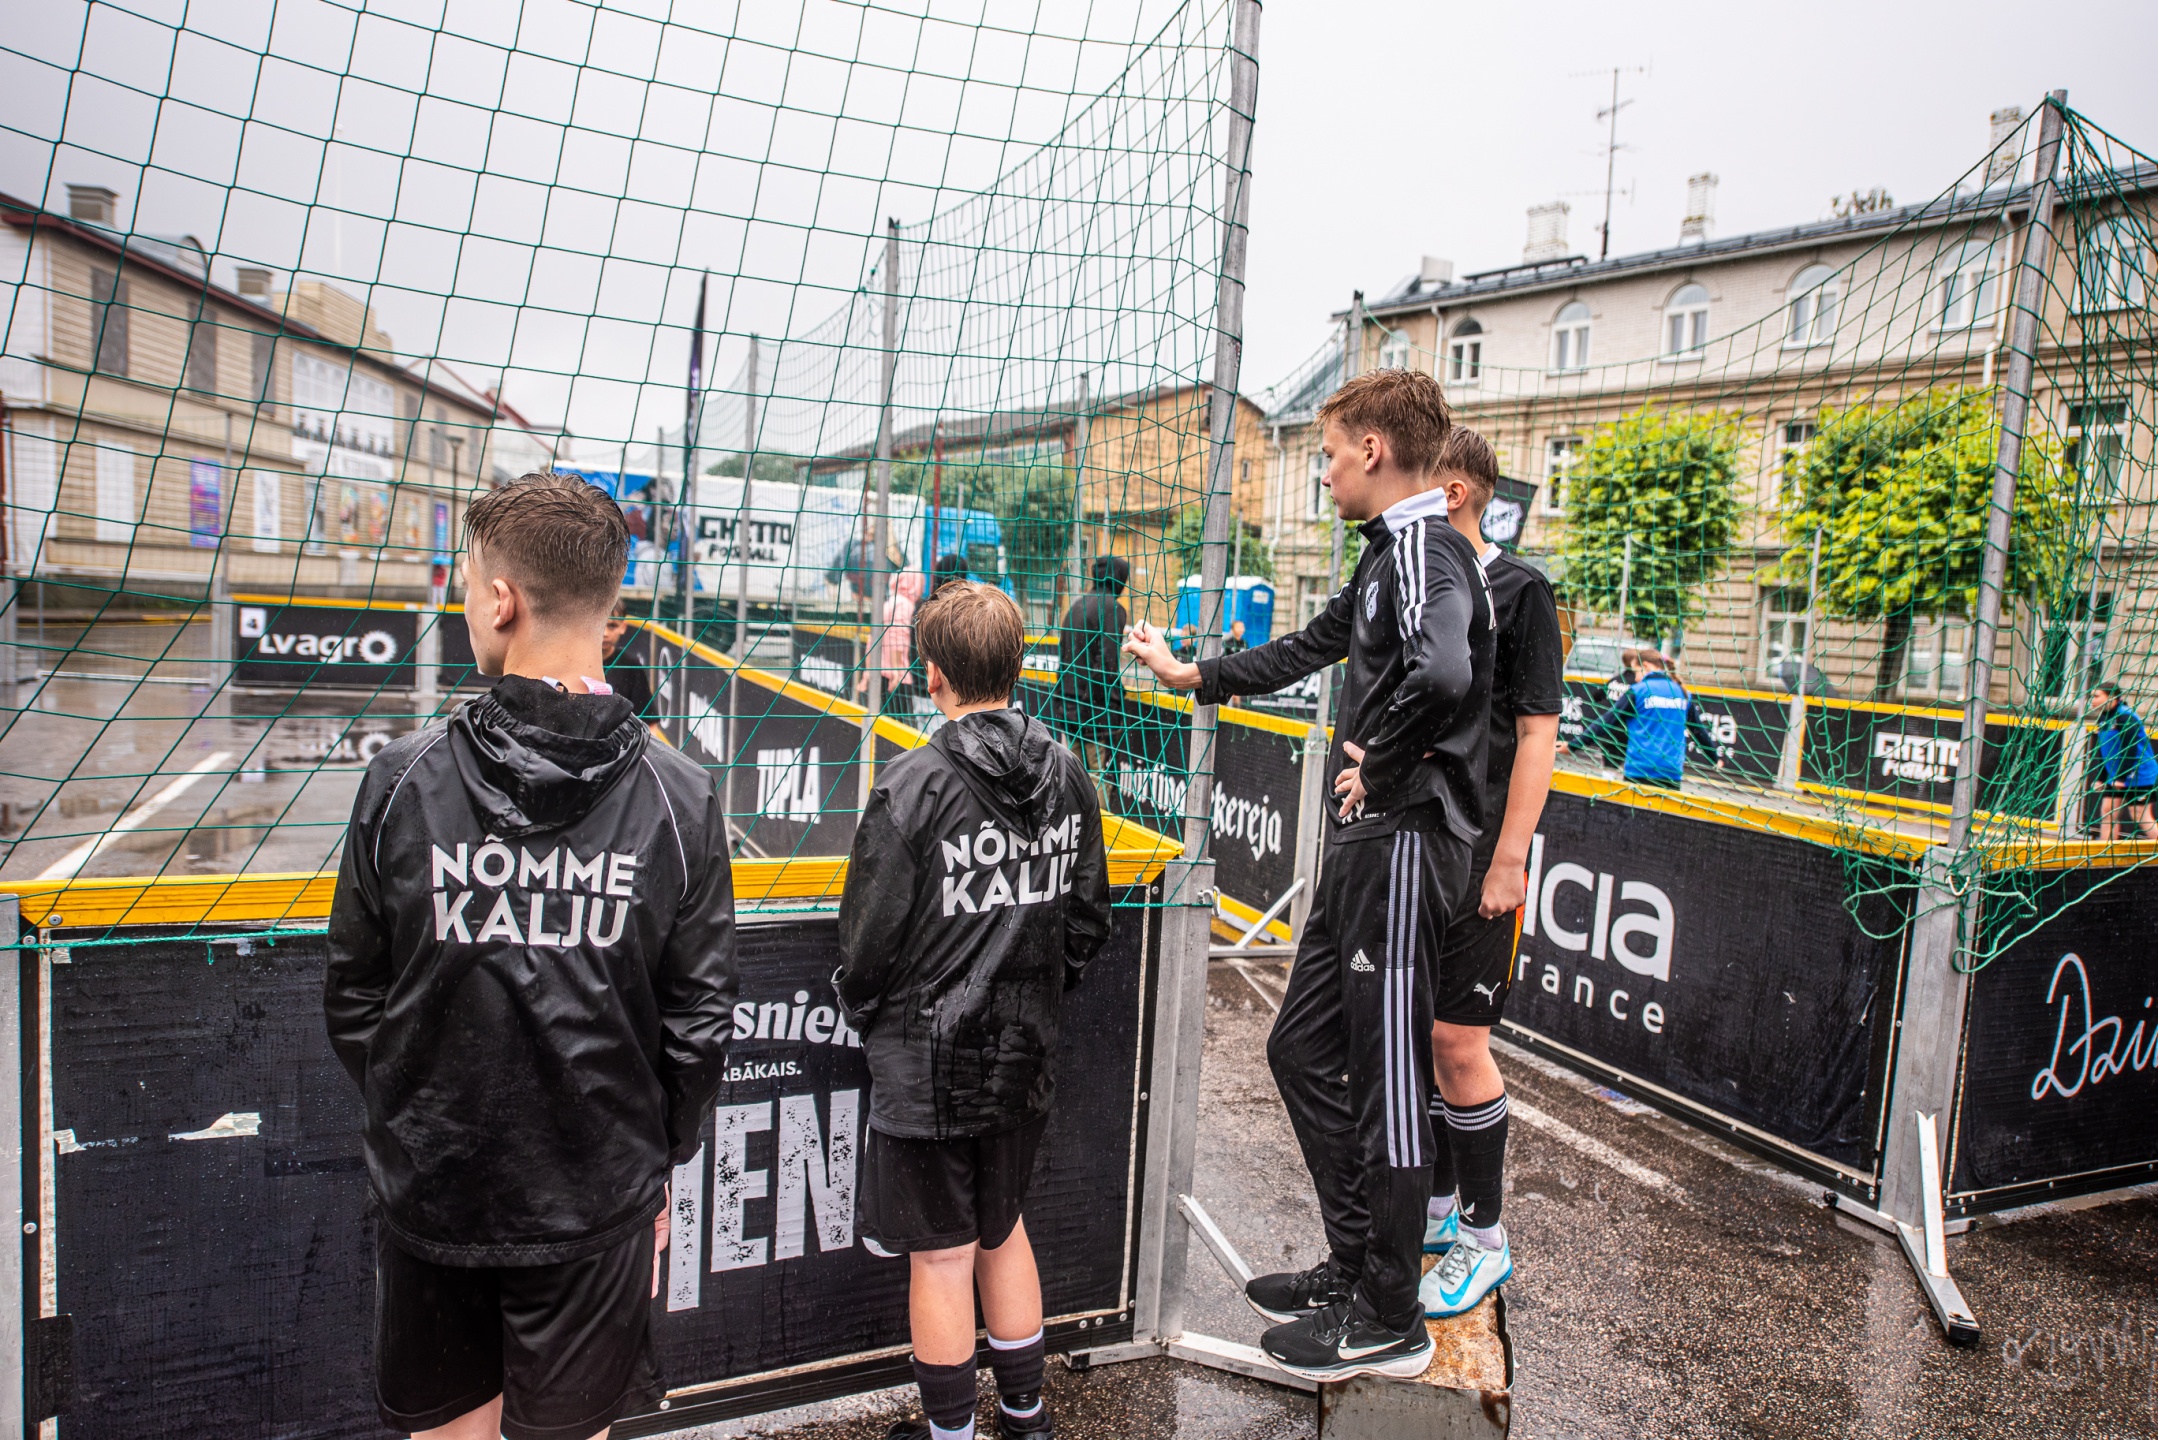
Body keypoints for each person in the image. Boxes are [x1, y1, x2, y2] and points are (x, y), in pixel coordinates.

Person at [325, 473, 738, 1440]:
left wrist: (421, 1119)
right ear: (607, 606)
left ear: (502, 600)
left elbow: (354, 996)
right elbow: (700, 1023)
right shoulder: (682, 796)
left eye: (470, 585)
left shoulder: (401, 778)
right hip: (588, 1196)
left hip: (448, 1190)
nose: (468, 604)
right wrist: (649, 1157)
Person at [1123, 368, 1493, 1382]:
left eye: (1329, 454)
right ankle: (1356, 1263)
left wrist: (1383, 762)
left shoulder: (1425, 548)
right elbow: (1310, 647)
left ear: (1373, 449)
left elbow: (1446, 674)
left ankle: (1391, 1315)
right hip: (1370, 850)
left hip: (1405, 843)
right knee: (1298, 1049)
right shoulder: (1387, 556)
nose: (1323, 472)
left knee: (1387, 1084)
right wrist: (1192, 676)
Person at [835, 580, 1113, 1440]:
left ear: (932, 675)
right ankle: (1026, 1418)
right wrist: (1034, 1002)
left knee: (944, 1256)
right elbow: (1088, 920)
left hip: (930, 1066)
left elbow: (866, 945)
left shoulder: (912, 784)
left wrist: (874, 1018)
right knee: (1002, 1230)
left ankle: (951, 1433)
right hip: (1022, 1056)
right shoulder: (1068, 770)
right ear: (1019, 665)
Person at [1415, 427, 1562, 1318]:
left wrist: (1510, 859)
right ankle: (1439, 1207)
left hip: (1482, 858)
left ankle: (1485, 1237)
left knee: (1461, 1044)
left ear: (1455, 493)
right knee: (1426, 1041)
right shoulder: (1421, 584)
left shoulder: (1522, 589)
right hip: (1425, 847)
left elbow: (1540, 733)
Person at [1573, 649, 1717, 789]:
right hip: (1671, 772)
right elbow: (1699, 732)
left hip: (1640, 769)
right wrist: (1714, 758)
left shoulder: (1639, 690)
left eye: (1636, 671)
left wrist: (1574, 745)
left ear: (1646, 666)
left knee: (1611, 770)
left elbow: (1606, 720)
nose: (1635, 678)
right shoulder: (1682, 693)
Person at [1053, 555, 1131, 776]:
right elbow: (1107, 663)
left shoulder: (1076, 606)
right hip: (1094, 712)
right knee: (1098, 775)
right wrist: (1105, 703)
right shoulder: (1112, 609)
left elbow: (1065, 657)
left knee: (1073, 777)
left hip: (1068, 706)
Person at [2090, 682, 2158, 840]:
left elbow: (2130, 750)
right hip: (2116, 774)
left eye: (2096, 696)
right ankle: (2106, 851)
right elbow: (2104, 751)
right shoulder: (2104, 718)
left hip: (2139, 774)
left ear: (2112, 697)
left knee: (2139, 815)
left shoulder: (2126, 717)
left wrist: (2121, 778)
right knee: (2108, 812)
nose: (2092, 700)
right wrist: (2101, 778)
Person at [602, 601, 660, 731]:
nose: (605, 633)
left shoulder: (631, 666)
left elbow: (650, 723)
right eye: (600, 625)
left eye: (612, 626)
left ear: (623, 627)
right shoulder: (572, 662)